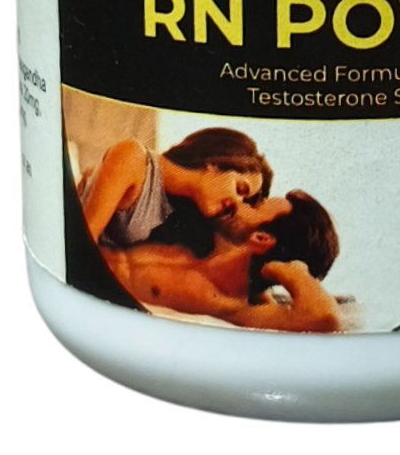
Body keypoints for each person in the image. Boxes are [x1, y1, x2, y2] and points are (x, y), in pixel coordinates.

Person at [103, 190, 342, 332]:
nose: (240, 200)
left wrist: (294, 269)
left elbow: (324, 318)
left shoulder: (235, 306)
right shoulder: (194, 232)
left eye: (254, 204)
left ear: (261, 238)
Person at [79, 127, 272, 247]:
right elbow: (82, 244)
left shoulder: (180, 211)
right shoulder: (133, 158)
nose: (236, 204)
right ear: (215, 162)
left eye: (244, 201)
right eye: (240, 189)